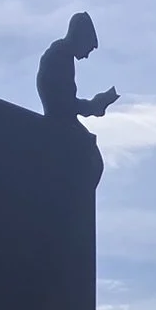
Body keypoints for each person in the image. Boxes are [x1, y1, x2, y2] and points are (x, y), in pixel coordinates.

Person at [36, 11, 118, 182]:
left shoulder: (61, 55)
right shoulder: (59, 56)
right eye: (88, 48)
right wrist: (94, 106)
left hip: (63, 120)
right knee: (89, 158)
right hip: (59, 121)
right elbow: (64, 104)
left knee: (91, 158)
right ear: (80, 37)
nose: (86, 55)